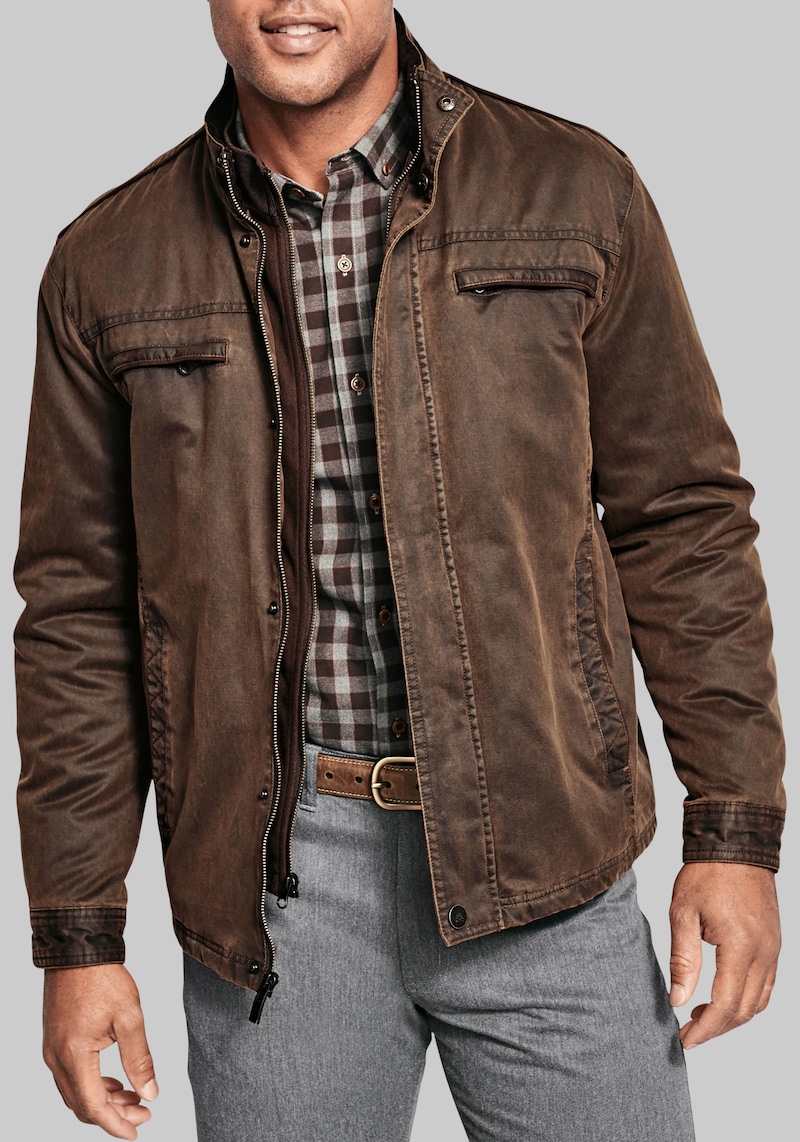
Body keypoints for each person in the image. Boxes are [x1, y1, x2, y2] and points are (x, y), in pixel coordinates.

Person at [14, 2, 785, 1140]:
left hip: (548, 855)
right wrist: (78, 935)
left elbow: (681, 519)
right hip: (275, 894)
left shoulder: (574, 191)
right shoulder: (109, 259)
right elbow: (77, 612)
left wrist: (732, 829)